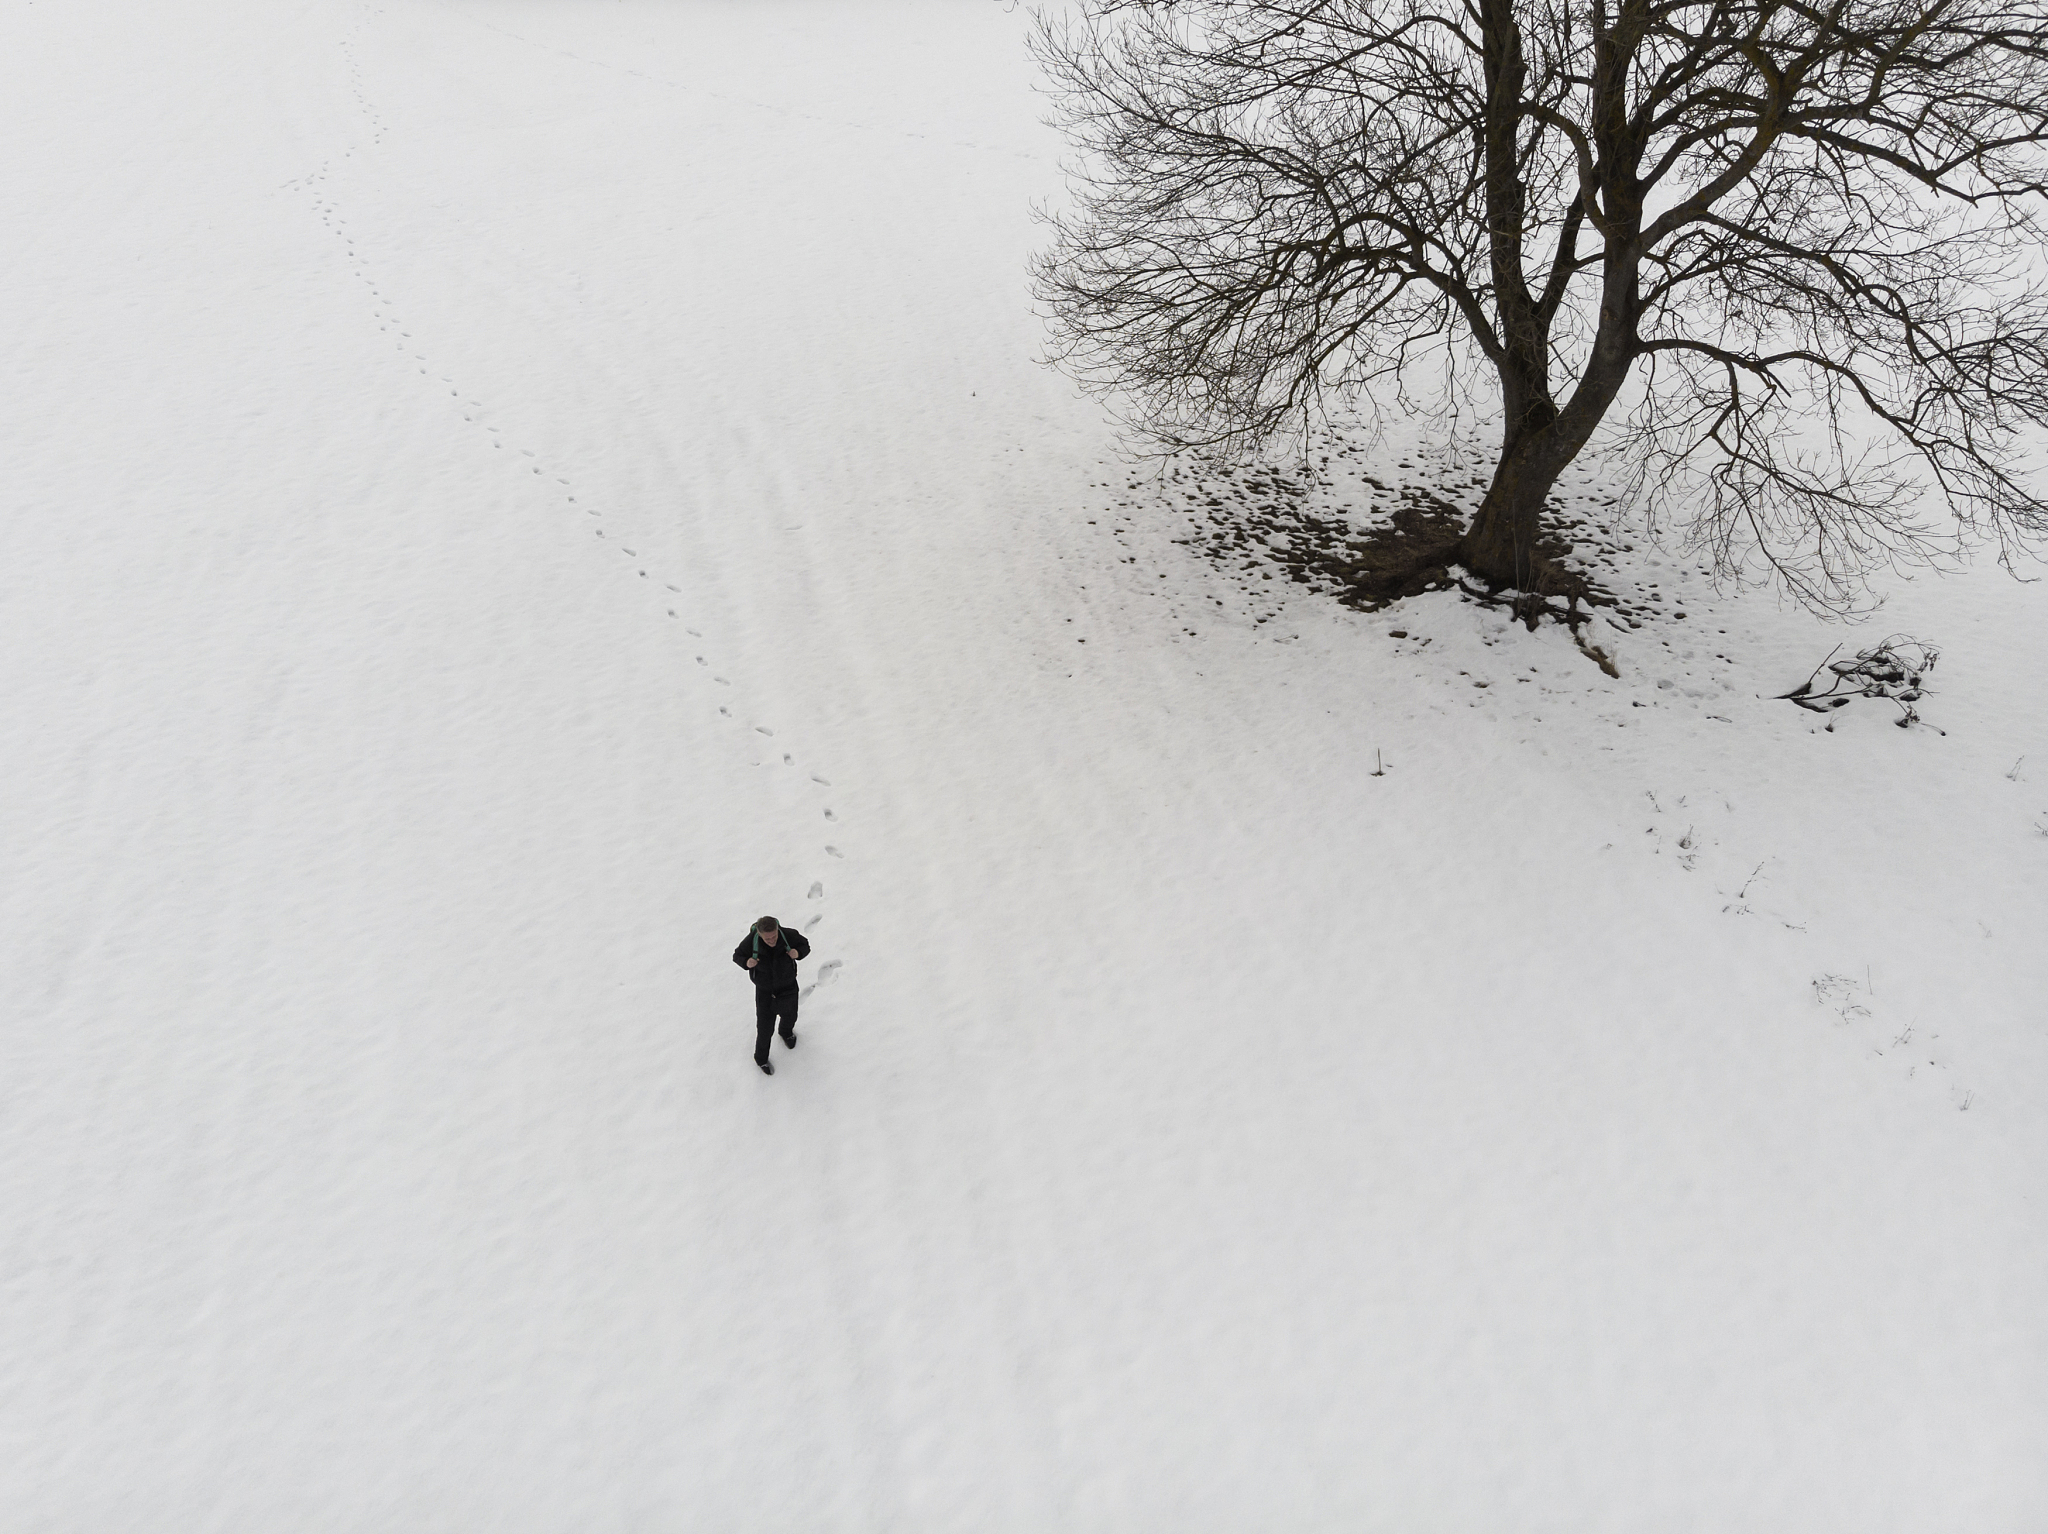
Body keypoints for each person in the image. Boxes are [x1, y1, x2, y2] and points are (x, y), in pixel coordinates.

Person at [732, 916, 810, 1075]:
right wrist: (747, 963)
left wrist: (798, 952)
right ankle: (761, 1059)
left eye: (774, 936)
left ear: (777, 929)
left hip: (788, 988)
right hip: (765, 993)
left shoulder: (788, 935)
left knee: (790, 1016)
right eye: (767, 938)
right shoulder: (751, 942)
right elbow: (737, 955)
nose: (772, 940)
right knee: (764, 1029)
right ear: (759, 934)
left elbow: (805, 945)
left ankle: (786, 1033)